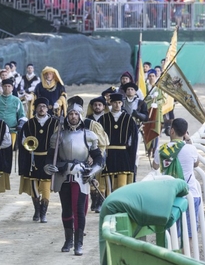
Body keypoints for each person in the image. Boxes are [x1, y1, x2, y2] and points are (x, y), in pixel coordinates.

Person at [44, 101, 104, 255]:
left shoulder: (89, 135)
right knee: (66, 210)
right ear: (67, 116)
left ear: (80, 116)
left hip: (81, 175)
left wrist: (92, 172)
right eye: (70, 113)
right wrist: (48, 166)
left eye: (76, 114)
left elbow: (99, 159)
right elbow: (50, 157)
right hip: (62, 175)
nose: (73, 116)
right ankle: (68, 240)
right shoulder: (58, 136)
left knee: (78, 210)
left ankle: (78, 243)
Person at [153, 118, 200, 239]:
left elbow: (155, 165)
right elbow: (196, 164)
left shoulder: (161, 150)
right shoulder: (191, 149)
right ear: (185, 133)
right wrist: (189, 140)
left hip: (171, 196)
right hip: (191, 194)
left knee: (170, 235)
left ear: (172, 131)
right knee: (188, 237)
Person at [18, 97, 59, 223]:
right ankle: (37, 210)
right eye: (39, 106)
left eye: (44, 106)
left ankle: (43, 212)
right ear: (35, 108)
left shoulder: (55, 123)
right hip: (33, 158)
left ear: (48, 108)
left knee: (46, 186)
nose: (42, 109)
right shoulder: (28, 124)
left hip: (48, 158)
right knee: (33, 185)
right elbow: (23, 140)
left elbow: (59, 141)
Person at [97, 93, 138, 196]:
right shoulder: (103, 119)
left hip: (123, 154)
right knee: (108, 183)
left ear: (122, 103)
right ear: (110, 103)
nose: (117, 105)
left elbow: (133, 140)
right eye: (115, 102)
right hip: (108, 153)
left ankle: (121, 204)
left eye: (119, 102)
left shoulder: (128, 119)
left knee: (122, 184)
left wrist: (131, 156)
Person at [0, 78, 27, 190]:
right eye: (5, 86)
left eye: (9, 86)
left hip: (12, 131)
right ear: (2, 87)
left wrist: (20, 123)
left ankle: (6, 176)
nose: (7, 88)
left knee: (7, 153)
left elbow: (22, 115)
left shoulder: (16, 100)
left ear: (12, 88)